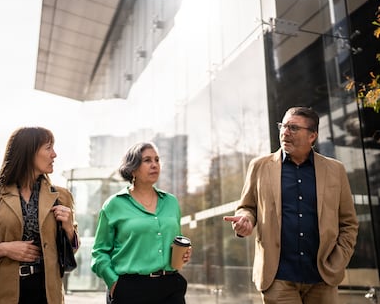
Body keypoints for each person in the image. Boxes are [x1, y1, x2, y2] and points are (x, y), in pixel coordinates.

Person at [223, 106, 358, 304]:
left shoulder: (335, 170)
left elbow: (348, 223)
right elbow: (247, 207)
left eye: (293, 128)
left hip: (323, 277)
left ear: (312, 136)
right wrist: (246, 219)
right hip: (277, 277)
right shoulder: (259, 166)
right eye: (283, 126)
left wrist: (338, 261)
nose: (285, 132)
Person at [0, 127, 79, 304]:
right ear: (28, 152)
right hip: (0, 296)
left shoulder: (61, 196)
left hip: (47, 296)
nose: (54, 154)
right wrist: (3, 248)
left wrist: (69, 229)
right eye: (48, 148)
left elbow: (69, 253)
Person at [91, 142, 192, 304]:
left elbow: (175, 241)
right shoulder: (114, 205)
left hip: (171, 288)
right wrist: (114, 283)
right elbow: (99, 252)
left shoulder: (171, 202)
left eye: (157, 160)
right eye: (147, 160)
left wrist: (183, 254)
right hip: (130, 290)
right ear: (132, 168)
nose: (154, 165)